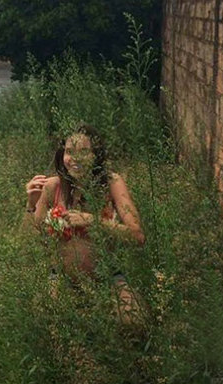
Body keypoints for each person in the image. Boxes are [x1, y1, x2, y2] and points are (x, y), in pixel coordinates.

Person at [29, 127, 145, 318]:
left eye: (84, 151)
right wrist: (30, 204)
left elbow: (137, 236)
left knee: (134, 320)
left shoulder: (112, 183)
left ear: (96, 155)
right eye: (69, 152)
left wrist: (93, 221)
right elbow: (29, 238)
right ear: (62, 154)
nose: (76, 158)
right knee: (46, 318)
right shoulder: (52, 186)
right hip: (61, 277)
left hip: (108, 276)